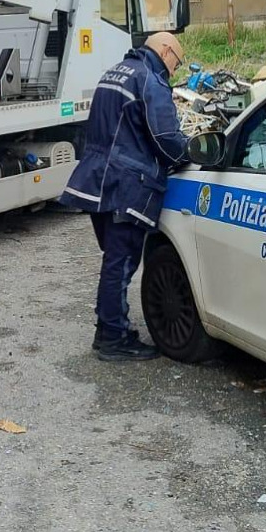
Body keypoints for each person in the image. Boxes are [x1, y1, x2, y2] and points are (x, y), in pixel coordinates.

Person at [60, 31, 189, 361]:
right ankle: (114, 339)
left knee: (114, 261)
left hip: (98, 180)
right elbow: (164, 137)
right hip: (127, 184)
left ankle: (108, 329)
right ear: (164, 49)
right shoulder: (150, 80)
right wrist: (189, 154)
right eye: (176, 60)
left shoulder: (114, 72)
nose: (174, 69)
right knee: (122, 262)